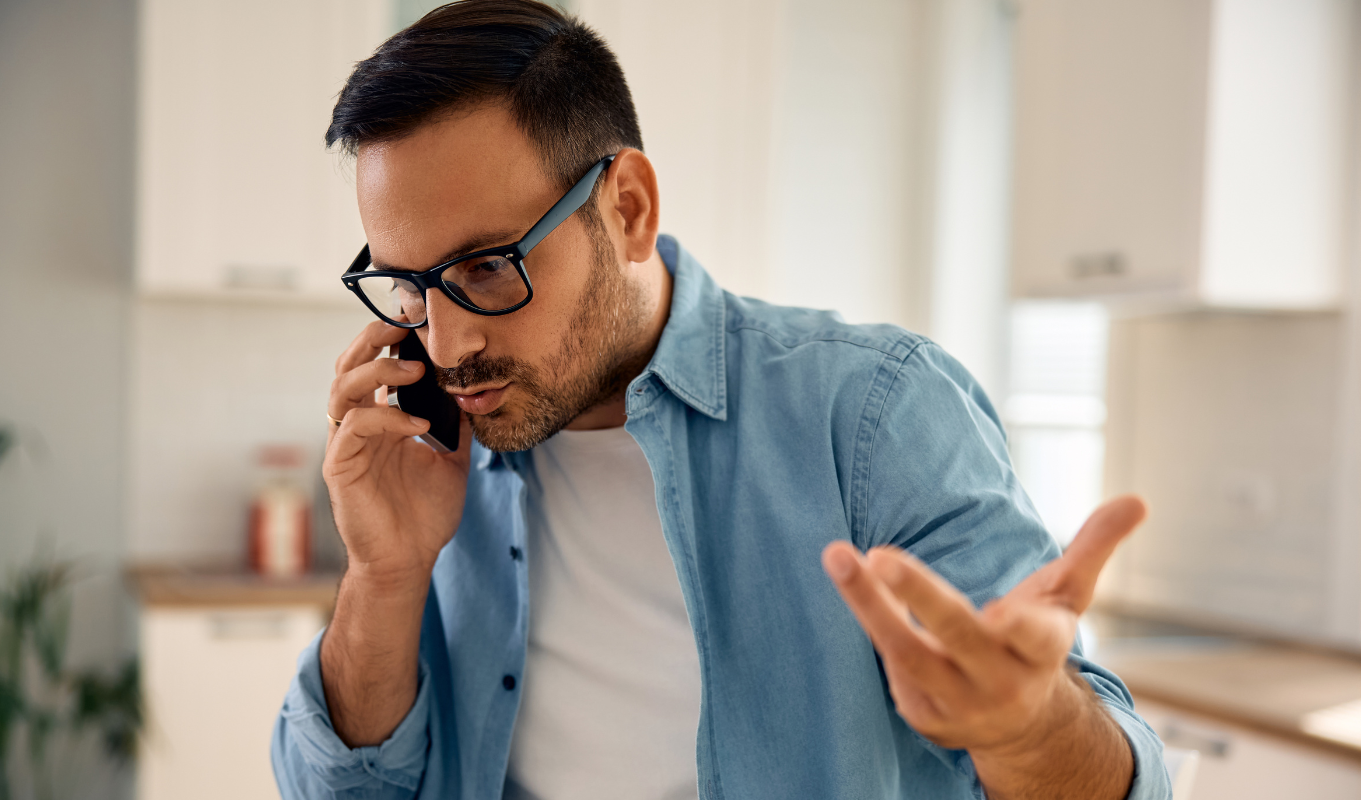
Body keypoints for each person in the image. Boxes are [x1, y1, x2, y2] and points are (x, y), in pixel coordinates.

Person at [271, 1, 1169, 798]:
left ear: (626, 208)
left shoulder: (874, 415)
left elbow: (1122, 784)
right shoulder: (424, 457)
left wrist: (1024, 729)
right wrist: (382, 578)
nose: (447, 342)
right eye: (409, 284)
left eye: (486, 268)